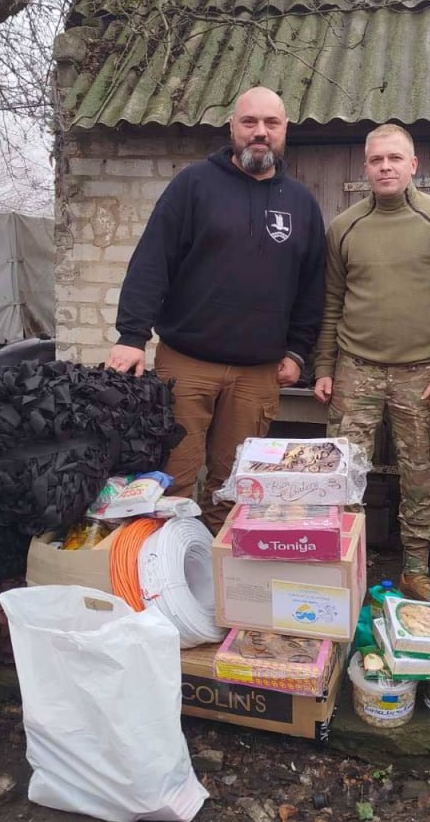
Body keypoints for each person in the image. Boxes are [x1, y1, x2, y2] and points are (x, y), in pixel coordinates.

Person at [106, 86, 326, 531]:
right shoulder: (193, 185)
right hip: (187, 365)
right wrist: (132, 336)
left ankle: (217, 569)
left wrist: (297, 351)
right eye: (249, 122)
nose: (260, 132)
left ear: (284, 130)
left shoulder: (301, 203)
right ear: (232, 127)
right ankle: (165, 567)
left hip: (257, 374)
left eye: (271, 123)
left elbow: (312, 287)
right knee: (172, 481)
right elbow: (152, 262)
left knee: (236, 486)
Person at [312, 123, 430, 600]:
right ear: (365, 167)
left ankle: (416, 569)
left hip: (420, 373)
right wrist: (324, 366)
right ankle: (346, 565)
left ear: (413, 165)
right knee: (344, 473)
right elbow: (331, 302)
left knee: (420, 474)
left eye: (394, 158)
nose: (385, 167)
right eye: (376, 160)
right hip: (354, 369)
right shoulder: (344, 227)